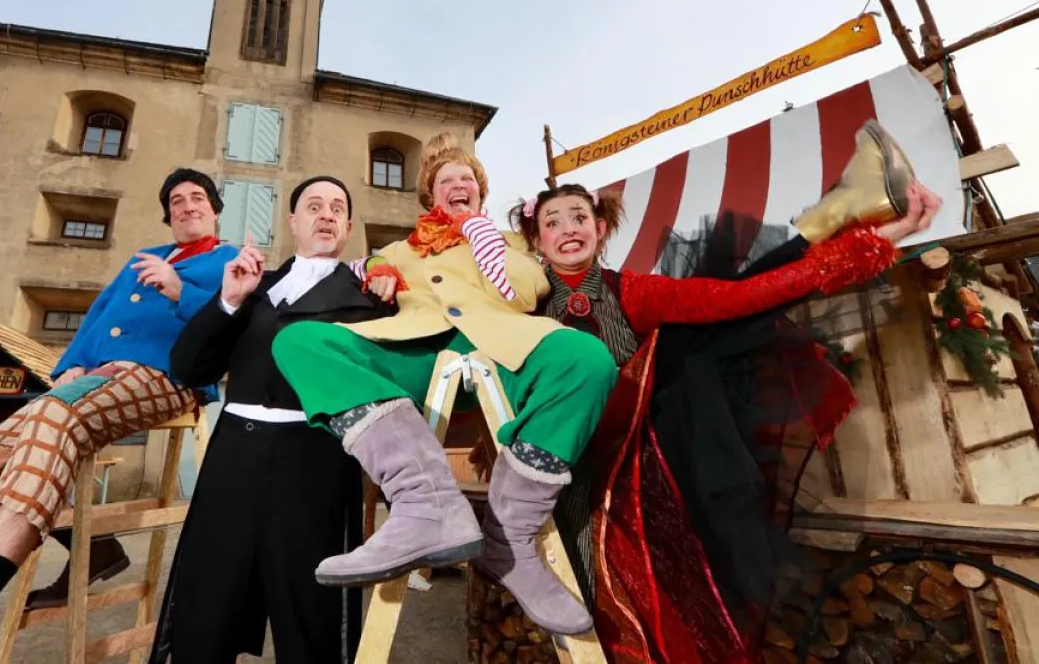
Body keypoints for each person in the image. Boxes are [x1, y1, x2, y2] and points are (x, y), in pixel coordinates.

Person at [503, 120, 943, 662]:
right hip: (551, 488)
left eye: (579, 216)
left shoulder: (634, 292)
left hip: (637, 492)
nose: (567, 227)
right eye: (552, 221)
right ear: (536, 240)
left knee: (654, 629)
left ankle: (845, 211)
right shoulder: (515, 310)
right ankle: (842, 208)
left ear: (599, 227)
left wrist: (879, 243)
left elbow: (746, 296)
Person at [0, 168, 238, 664]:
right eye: (177, 200)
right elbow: (97, 314)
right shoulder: (145, 257)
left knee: (56, 416)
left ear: (214, 209)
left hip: (166, 377)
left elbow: (234, 324)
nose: (187, 206)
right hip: (92, 378)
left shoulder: (227, 261)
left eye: (197, 198)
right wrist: (71, 362)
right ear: (168, 213)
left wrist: (179, 290)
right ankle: (92, 547)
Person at [270, 132, 617, 636]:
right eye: (446, 181)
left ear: (479, 191)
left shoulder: (510, 241)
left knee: (586, 357)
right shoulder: (399, 248)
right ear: (431, 196)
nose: (458, 185)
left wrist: (482, 237)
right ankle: (422, 504)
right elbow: (351, 270)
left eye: (467, 180)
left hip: (501, 347)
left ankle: (512, 537)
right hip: (419, 351)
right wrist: (377, 268)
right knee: (299, 342)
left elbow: (521, 293)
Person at [148, 175, 396, 664]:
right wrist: (228, 302)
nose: (325, 214)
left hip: (314, 460)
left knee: (309, 605)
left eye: (336, 208)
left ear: (347, 226)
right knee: (208, 597)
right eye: (313, 206)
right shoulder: (255, 284)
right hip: (233, 459)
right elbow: (190, 366)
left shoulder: (370, 297)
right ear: (293, 221)